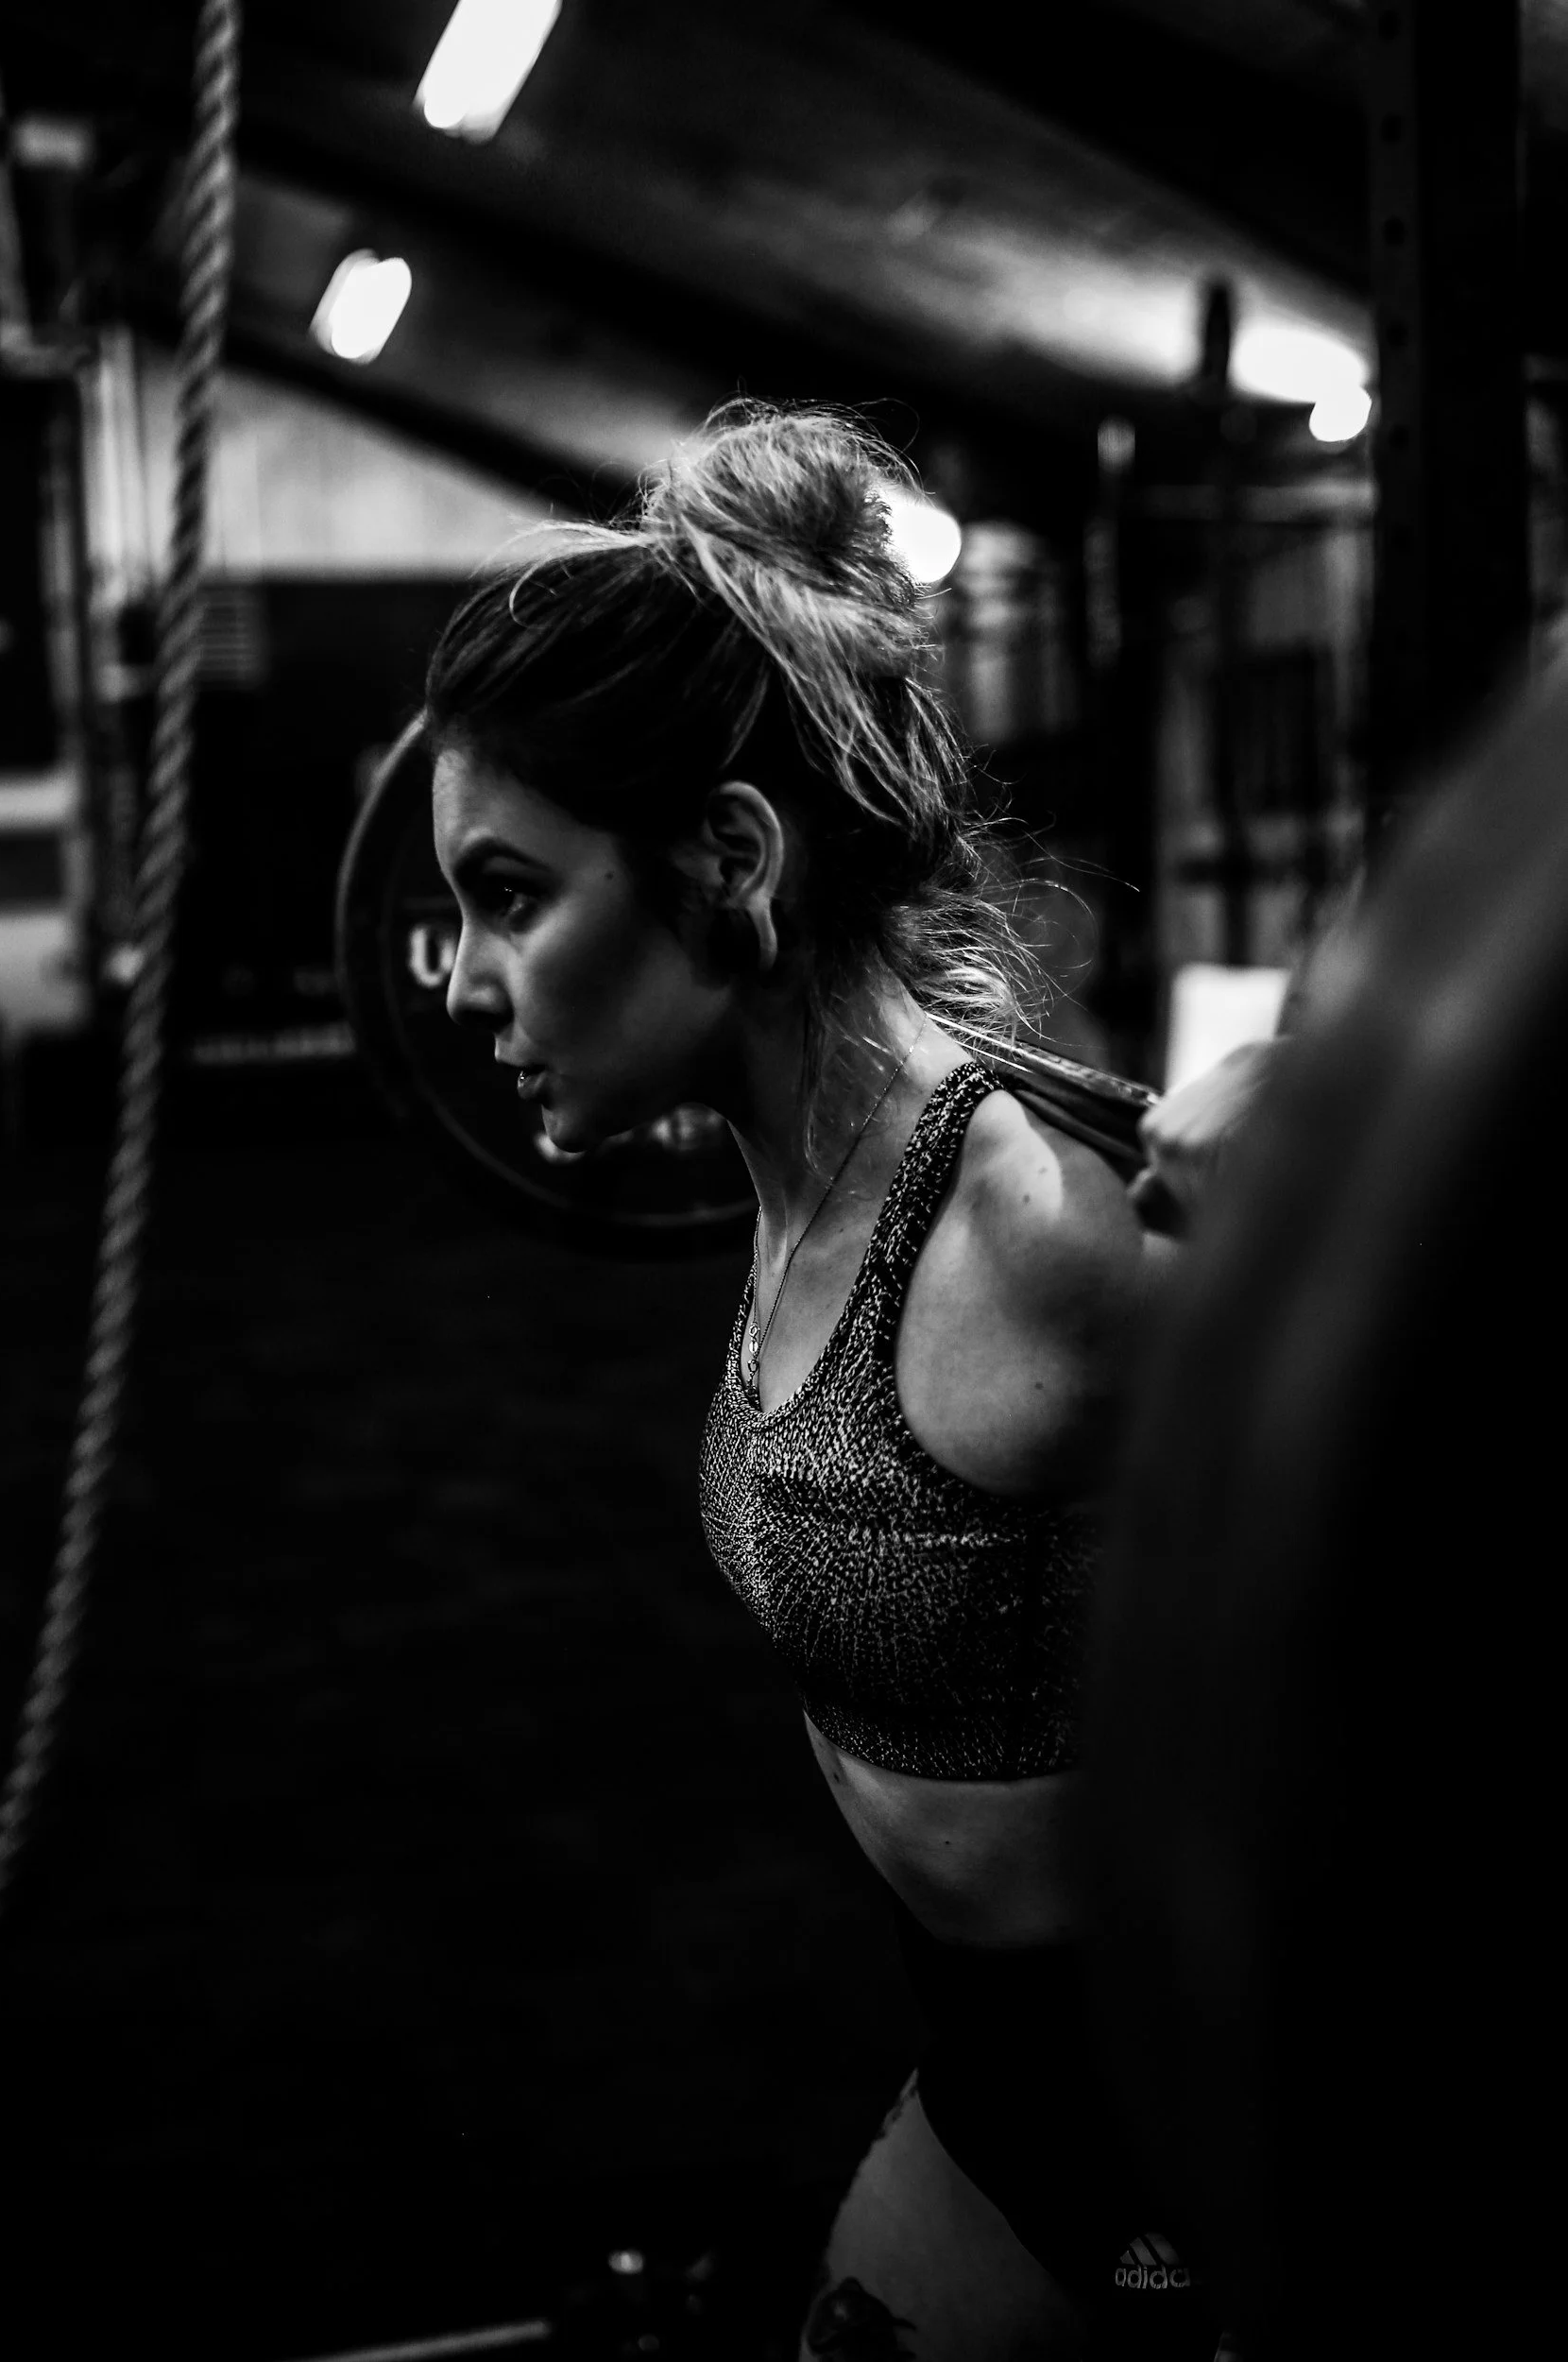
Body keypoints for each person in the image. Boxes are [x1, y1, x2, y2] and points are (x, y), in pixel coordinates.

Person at [423, 402, 1212, 2361]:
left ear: (728, 858)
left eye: (509, 895)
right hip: (991, 2065)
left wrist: (1337, 1122)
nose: (451, 976)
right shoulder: (787, 1179)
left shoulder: (1029, 1229)